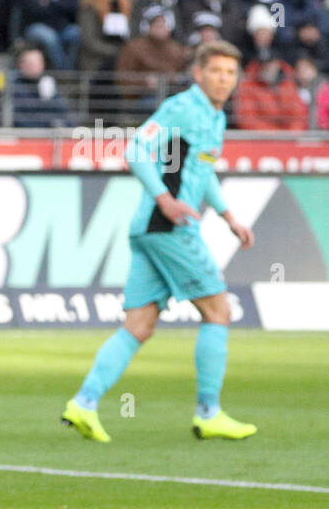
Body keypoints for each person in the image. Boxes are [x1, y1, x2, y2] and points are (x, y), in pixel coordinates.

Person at [63, 42, 257, 444]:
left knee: (139, 325)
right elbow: (136, 149)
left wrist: (228, 217)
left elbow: (202, 172)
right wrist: (165, 200)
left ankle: (82, 404)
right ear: (199, 73)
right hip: (168, 227)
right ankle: (209, 412)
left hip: (151, 229)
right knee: (218, 309)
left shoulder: (214, 118)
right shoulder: (183, 107)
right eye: (217, 71)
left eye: (230, 73)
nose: (224, 78)